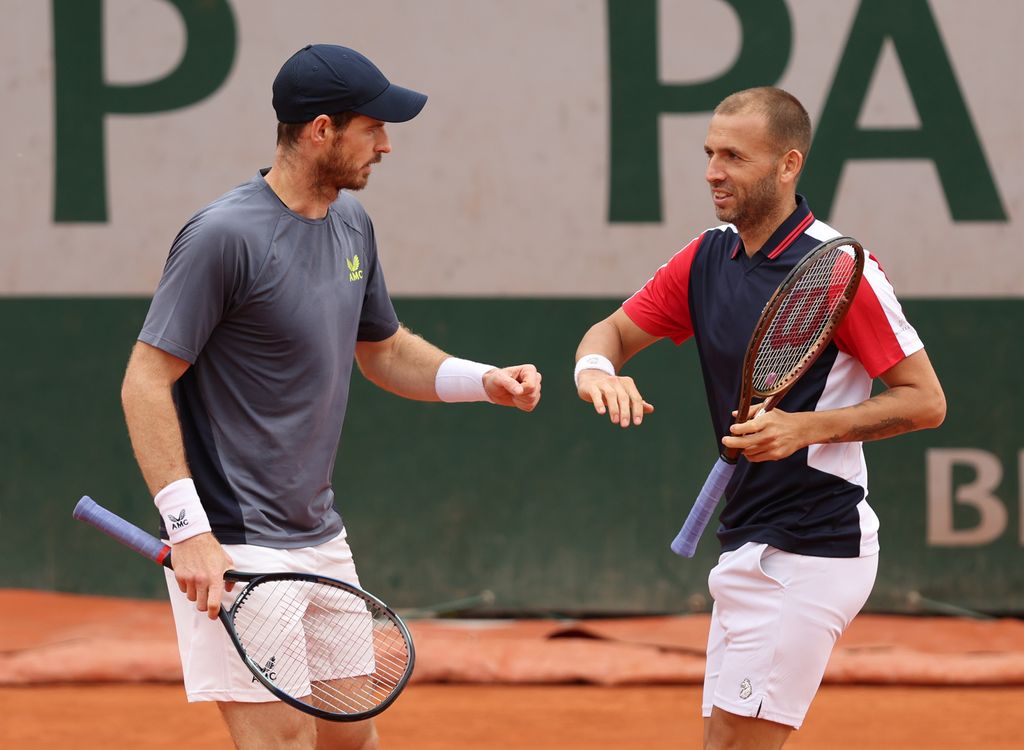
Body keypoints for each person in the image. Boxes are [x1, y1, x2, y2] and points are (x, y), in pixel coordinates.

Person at [120, 43, 541, 750]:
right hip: (236, 543)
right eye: (371, 126)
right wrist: (190, 532)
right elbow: (144, 379)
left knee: (351, 742)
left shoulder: (352, 225)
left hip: (319, 537)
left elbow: (381, 349)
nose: (385, 145)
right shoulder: (223, 236)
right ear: (321, 129)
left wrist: (483, 381)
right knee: (282, 744)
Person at [573, 87, 945, 749]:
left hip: (812, 544)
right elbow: (610, 334)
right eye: (710, 152)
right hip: (747, 540)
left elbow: (925, 400)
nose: (714, 170)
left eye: (735, 156)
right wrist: (598, 373)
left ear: (787, 165)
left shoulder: (838, 269)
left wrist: (805, 429)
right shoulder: (706, 257)